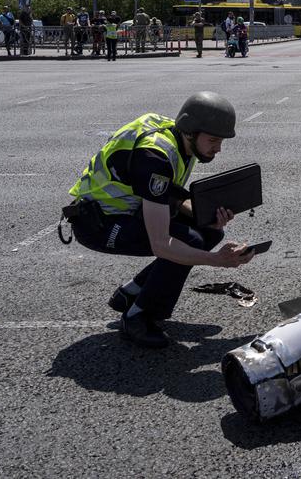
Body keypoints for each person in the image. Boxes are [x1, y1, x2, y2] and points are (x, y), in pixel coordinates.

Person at [63, 92, 254, 348]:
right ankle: (138, 317)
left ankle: (131, 293)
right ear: (190, 131)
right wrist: (217, 261)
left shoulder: (176, 137)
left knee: (209, 232)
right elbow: (161, 245)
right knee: (189, 240)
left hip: (124, 213)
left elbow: (168, 196)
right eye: (213, 140)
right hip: (98, 225)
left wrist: (208, 217)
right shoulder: (156, 156)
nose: (218, 148)